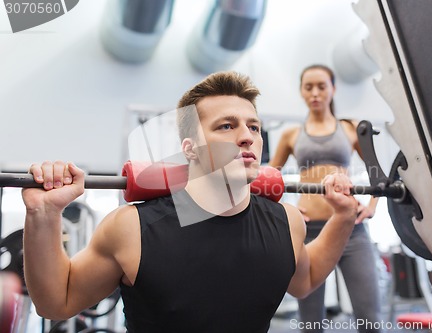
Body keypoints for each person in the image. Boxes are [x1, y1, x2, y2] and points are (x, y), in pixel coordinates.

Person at [21, 71, 358, 333]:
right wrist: (43, 214)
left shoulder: (287, 222)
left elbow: (306, 279)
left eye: (253, 127)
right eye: (226, 126)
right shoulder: (131, 229)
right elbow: (58, 302)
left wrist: (342, 218)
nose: (247, 136)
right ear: (189, 148)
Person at [268, 64, 383, 333]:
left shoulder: (351, 128)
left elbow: (377, 172)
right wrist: (284, 209)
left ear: (333, 88)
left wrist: (373, 205)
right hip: (308, 232)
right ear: (301, 92)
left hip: (352, 230)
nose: (315, 93)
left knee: (371, 320)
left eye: (322, 86)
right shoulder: (291, 134)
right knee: (310, 324)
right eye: (309, 87)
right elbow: (269, 181)